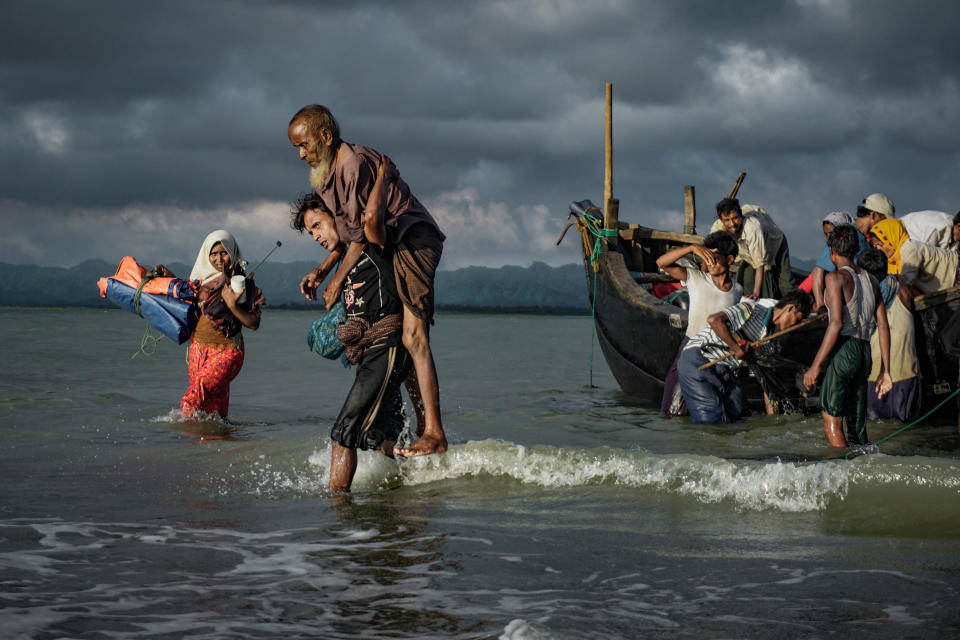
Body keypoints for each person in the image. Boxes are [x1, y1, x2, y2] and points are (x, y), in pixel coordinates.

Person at [288, 104, 447, 458]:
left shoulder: (353, 165)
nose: (301, 154)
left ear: (325, 137)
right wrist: (325, 268)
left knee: (412, 335)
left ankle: (434, 432)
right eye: (296, 148)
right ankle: (420, 431)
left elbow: (371, 228)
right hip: (391, 242)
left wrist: (336, 276)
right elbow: (349, 235)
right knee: (402, 343)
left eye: (305, 145)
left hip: (413, 239)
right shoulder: (328, 174)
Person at [294, 184, 413, 492]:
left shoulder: (374, 244)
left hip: (386, 348)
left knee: (342, 434)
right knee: (384, 438)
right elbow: (344, 247)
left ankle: (339, 515)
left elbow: (366, 224)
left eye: (317, 225)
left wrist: (382, 173)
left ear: (337, 215)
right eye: (311, 233)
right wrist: (323, 271)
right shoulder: (347, 258)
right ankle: (414, 504)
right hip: (374, 355)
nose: (316, 235)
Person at [156, 230, 264, 420]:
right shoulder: (201, 281)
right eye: (213, 254)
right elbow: (188, 295)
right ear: (206, 255)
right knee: (213, 412)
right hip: (198, 350)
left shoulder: (242, 284)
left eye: (224, 253)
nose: (219, 258)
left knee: (191, 402)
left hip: (227, 351)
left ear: (232, 252)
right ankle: (217, 445)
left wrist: (232, 304)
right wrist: (168, 276)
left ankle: (184, 444)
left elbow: (254, 323)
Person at [804, 225, 893, 448]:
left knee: (831, 419)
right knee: (857, 425)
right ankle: (862, 468)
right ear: (854, 251)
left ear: (832, 252)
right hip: (865, 353)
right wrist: (886, 371)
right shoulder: (872, 280)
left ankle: (842, 471)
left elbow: (836, 324)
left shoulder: (835, 278)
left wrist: (815, 365)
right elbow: (883, 324)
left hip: (845, 349)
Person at [677, 289, 811, 424]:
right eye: (798, 319)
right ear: (790, 308)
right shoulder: (751, 309)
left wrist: (772, 417)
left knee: (741, 414)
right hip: (698, 359)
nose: (796, 325)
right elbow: (714, 320)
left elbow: (764, 378)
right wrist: (736, 348)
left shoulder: (769, 343)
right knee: (713, 421)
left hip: (725, 369)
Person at [656, 231, 743, 416]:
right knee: (673, 411)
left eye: (715, 258)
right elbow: (661, 263)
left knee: (721, 409)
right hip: (690, 348)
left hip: (719, 352)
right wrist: (691, 248)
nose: (709, 262)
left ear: (730, 259)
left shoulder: (737, 290)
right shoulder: (696, 279)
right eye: (707, 257)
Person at [857, 248, 920, 422]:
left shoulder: (860, 296)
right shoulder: (900, 287)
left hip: (874, 375)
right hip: (905, 373)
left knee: (875, 429)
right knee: (905, 426)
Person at [709, 198, 793, 300]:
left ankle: (802, 305)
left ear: (740, 215)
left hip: (774, 243)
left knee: (786, 284)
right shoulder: (718, 227)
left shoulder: (752, 229)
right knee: (744, 280)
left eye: (735, 218)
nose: (732, 224)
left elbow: (759, 265)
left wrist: (755, 295)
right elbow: (709, 252)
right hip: (748, 251)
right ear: (721, 219)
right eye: (727, 220)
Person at [870, 218, 960, 296]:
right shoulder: (893, 261)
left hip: (955, 273)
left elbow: (905, 282)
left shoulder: (909, 248)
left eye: (881, 244)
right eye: (875, 246)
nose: (878, 249)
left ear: (891, 238)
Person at [807, 211, 870, 313]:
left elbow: (818, 270)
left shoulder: (838, 240)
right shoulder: (862, 239)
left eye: (830, 233)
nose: (828, 237)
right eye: (825, 234)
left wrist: (820, 304)